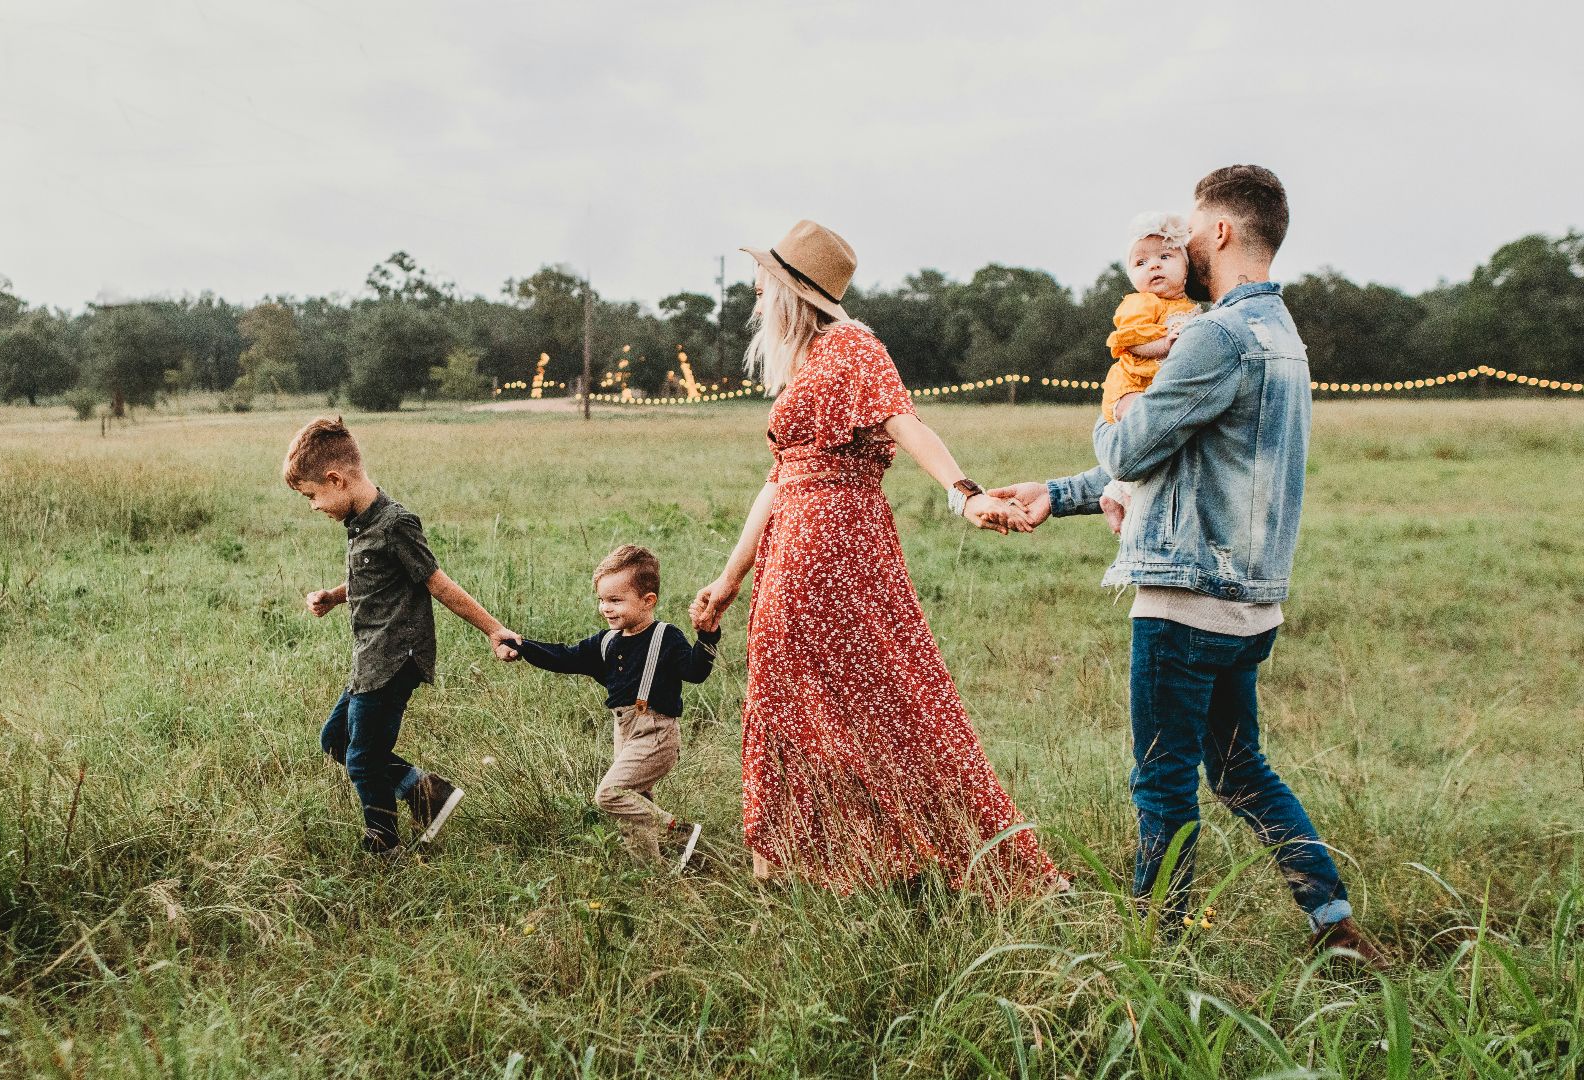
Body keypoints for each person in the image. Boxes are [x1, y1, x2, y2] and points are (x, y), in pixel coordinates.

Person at [991, 166, 1387, 966]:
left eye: (1194, 228)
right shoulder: (1283, 337)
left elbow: (1135, 446)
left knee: (1161, 780)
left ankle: (1154, 949)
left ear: (1224, 233)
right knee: (1241, 770)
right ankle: (1333, 922)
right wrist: (1060, 494)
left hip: (1185, 600)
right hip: (1251, 604)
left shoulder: (1214, 335)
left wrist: (1118, 416)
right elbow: (1187, 460)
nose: (1183, 243)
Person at [690, 219, 1062, 895]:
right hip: (791, 547)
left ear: (789, 290)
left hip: (836, 544)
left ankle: (945, 857)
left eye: (762, 281)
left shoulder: (853, 346)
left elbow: (905, 421)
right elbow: (777, 481)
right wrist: (728, 578)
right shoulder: (803, 363)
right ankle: (800, 863)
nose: (753, 292)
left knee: (888, 698)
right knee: (786, 702)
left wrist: (964, 494)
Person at [285, 416, 520, 855]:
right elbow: (372, 582)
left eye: (312, 495)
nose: (313, 506)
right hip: (369, 658)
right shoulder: (359, 524)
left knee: (362, 759)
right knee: (335, 740)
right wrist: (335, 596)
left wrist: (495, 630)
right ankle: (426, 794)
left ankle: (384, 844)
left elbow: (439, 584)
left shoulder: (395, 523)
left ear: (336, 480)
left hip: (395, 659)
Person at [503, 545, 718, 871]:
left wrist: (707, 635)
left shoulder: (665, 637)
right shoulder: (606, 642)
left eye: (616, 600)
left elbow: (696, 672)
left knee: (611, 794)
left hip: (657, 733)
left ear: (648, 601)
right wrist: (522, 646)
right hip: (625, 732)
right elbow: (563, 656)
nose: (606, 608)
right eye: (602, 600)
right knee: (635, 807)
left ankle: (678, 832)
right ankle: (653, 875)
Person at [1099, 212, 1201, 533]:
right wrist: (1164, 344)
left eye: (1165, 257)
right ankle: (1120, 494)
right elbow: (1130, 341)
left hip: (1154, 388)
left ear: (1186, 268)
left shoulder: (1189, 308)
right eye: (1140, 263)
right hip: (1130, 387)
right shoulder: (1141, 303)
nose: (1153, 266)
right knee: (1143, 431)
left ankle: (1117, 493)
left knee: (1158, 440)